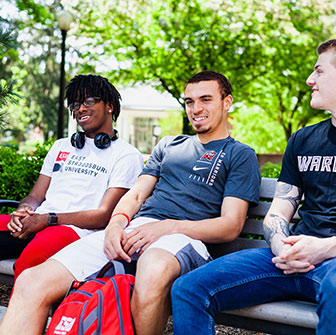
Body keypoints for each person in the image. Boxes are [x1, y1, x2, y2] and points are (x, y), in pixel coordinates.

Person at [171, 39, 336, 335]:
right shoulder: (303, 140)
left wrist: (328, 247)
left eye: (318, 71)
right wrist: (280, 243)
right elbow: (279, 210)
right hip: (289, 255)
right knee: (189, 288)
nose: (310, 80)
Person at [0, 70, 261, 335]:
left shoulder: (239, 155)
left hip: (186, 239)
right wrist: (114, 226)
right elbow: (135, 195)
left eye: (206, 99)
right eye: (190, 101)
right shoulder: (169, 145)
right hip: (134, 232)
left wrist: (165, 228)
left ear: (226, 102)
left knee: (152, 269)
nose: (196, 108)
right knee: (32, 281)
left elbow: (230, 225)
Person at [0, 74, 143, 279]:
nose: (81, 109)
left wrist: (47, 220)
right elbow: (35, 196)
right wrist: (24, 211)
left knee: (30, 263)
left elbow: (104, 215)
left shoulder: (126, 155)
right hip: (38, 221)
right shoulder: (61, 146)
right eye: (76, 104)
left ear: (109, 106)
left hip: (75, 231)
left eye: (89, 101)